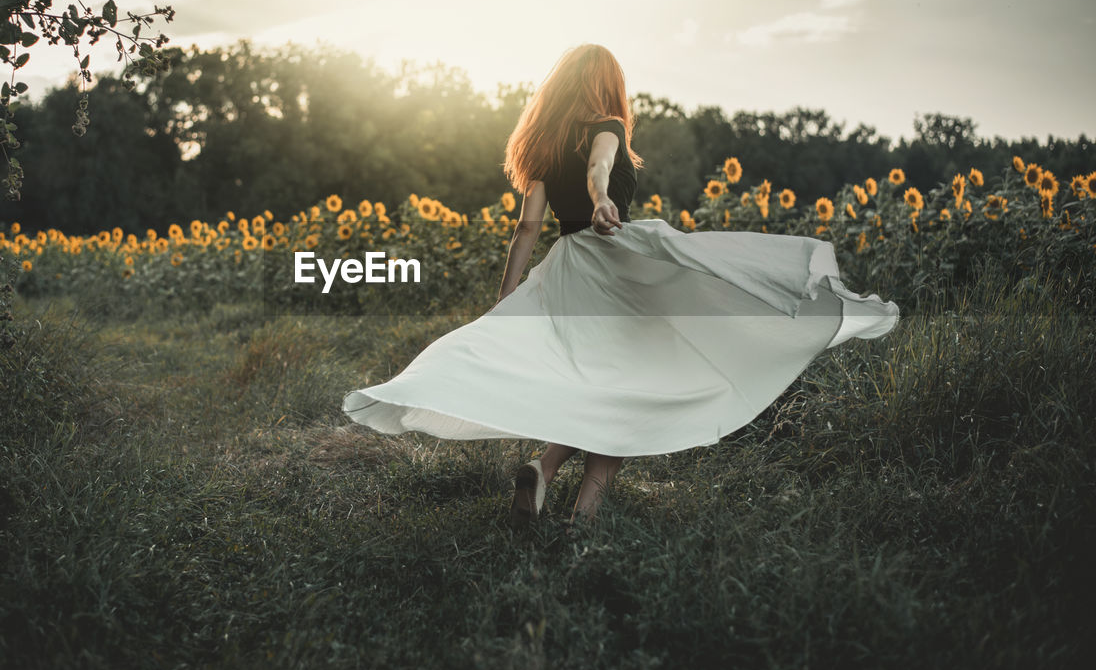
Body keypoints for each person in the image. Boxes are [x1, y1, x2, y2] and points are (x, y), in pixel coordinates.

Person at [341, 44, 899, 529]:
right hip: (613, 264)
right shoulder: (605, 126)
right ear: (606, 85)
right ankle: (583, 518)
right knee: (633, 382)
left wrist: (507, 299)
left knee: (594, 381)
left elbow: (528, 226)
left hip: (565, 267)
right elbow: (599, 169)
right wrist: (602, 199)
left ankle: (544, 469)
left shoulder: (541, 148)